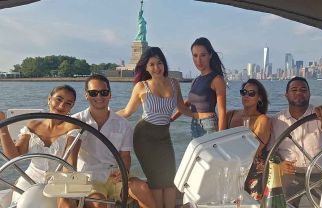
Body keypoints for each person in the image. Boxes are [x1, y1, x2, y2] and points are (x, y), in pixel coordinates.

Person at [117, 47, 192, 208]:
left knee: (170, 179)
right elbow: (127, 111)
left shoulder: (174, 83)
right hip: (144, 137)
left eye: (159, 63)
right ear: (145, 67)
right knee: (157, 181)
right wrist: (104, 116)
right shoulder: (141, 86)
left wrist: (201, 116)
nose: (156, 68)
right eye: (151, 64)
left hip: (164, 137)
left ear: (164, 64)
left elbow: (182, 108)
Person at [72, 74, 156, 208]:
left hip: (115, 174)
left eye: (103, 92)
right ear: (86, 95)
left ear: (110, 95)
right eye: (93, 93)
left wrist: (124, 172)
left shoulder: (123, 124)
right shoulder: (75, 121)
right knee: (98, 203)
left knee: (142, 189)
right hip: (89, 178)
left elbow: (125, 156)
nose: (99, 97)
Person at [0, 85, 80, 208]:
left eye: (68, 103)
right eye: (58, 99)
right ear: (49, 99)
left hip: (59, 179)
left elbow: (69, 165)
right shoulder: (33, 125)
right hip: (29, 179)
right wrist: (3, 126)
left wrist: (64, 196)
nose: (61, 105)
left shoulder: (73, 128)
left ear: (71, 108)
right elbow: (14, 156)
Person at [270, 76, 322, 207]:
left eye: (303, 90)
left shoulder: (320, 114)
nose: (299, 93)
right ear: (286, 95)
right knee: (282, 205)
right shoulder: (276, 120)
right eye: (294, 90)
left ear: (309, 94)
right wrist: (280, 164)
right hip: (290, 174)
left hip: (320, 173)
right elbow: (272, 150)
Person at [172, 37, 227, 138]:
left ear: (210, 55)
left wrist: (220, 138)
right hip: (194, 124)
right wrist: (171, 119)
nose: (199, 60)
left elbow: (222, 111)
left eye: (203, 55)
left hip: (209, 126)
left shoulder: (217, 79)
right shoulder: (195, 80)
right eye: (195, 56)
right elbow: (188, 103)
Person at [226, 79, 271, 200]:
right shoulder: (230, 115)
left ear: (259, 98)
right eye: (244, 92)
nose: (246, 96)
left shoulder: (263, 120)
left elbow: (254, 149)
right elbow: (217, 139)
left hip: (253, 171)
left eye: (251, 93)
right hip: (230, 167)